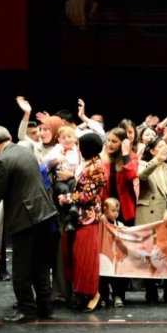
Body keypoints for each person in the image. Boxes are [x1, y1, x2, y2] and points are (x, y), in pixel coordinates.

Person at [0, 125, 58, 322]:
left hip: (25, 218)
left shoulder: (1, 160)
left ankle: (26, 310)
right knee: (41, 265)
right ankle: (45, 308)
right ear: (9, 136)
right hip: (45, 212)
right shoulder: (26, 150)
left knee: (21, 268)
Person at [58, 133, 107, 312]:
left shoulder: (97, 167)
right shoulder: (86, 163)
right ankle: (80, 292)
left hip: (88, 217)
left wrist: (66, 198)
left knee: (85, 257)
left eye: (81, 145)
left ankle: (92, 293)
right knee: (75, 257)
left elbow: (88, 196)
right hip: (78, 217)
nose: (78, 148)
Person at [136, 136, 167, 303]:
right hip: (148, 213)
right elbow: (142, 175)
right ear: (152, 150)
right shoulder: (143, 164)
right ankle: (150, 290)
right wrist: (157, 160)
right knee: (149, 253)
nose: (163, 149)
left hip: (165, 214)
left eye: (165, 146)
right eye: (159, 147)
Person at [98, 197, 127, 308]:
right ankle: (103, 297)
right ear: (105, 209)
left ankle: (117, 296)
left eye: (118, 211)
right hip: (103, 256)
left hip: (115, 257)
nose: (116, 213)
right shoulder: (99, 222)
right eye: (113, 210)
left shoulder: (119, 224)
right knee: (102, 278)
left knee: (117, 277)